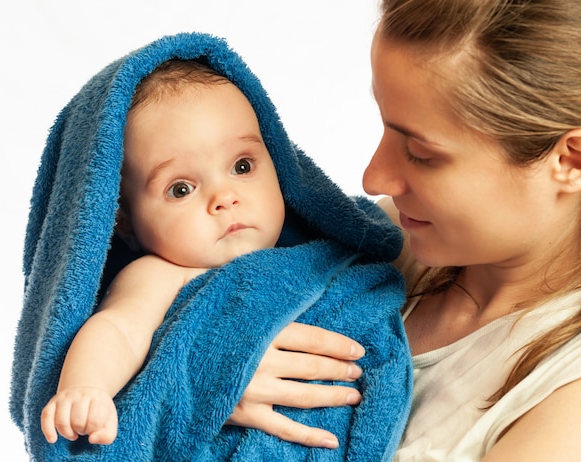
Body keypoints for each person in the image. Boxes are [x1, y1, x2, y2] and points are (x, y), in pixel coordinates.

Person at [229, 0, 581, 460]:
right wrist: (201, 377)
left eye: (421, 153)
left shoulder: (564, 406)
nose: (373, 179)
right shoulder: (380, 238)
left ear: (570, 161)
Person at [40, 59, 287, 445]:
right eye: (181, 189)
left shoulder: (321, 257)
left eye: (242, 166)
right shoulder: (161, 274)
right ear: (125, 222)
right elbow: (118, 331)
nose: (225, 198)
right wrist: (86, 389)